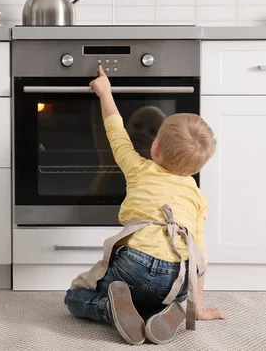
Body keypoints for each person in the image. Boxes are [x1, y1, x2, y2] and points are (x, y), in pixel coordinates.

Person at [64, 66, 227, 346]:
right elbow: (199, 256)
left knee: (76, 296)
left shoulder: (140, 168)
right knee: (163, 293)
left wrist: (105, 92)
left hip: (134, 263)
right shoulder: (198, 197)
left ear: (155, 149)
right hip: (178, 275)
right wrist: (196, 308)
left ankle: (110, 310)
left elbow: (116, 133)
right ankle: (169, 311)